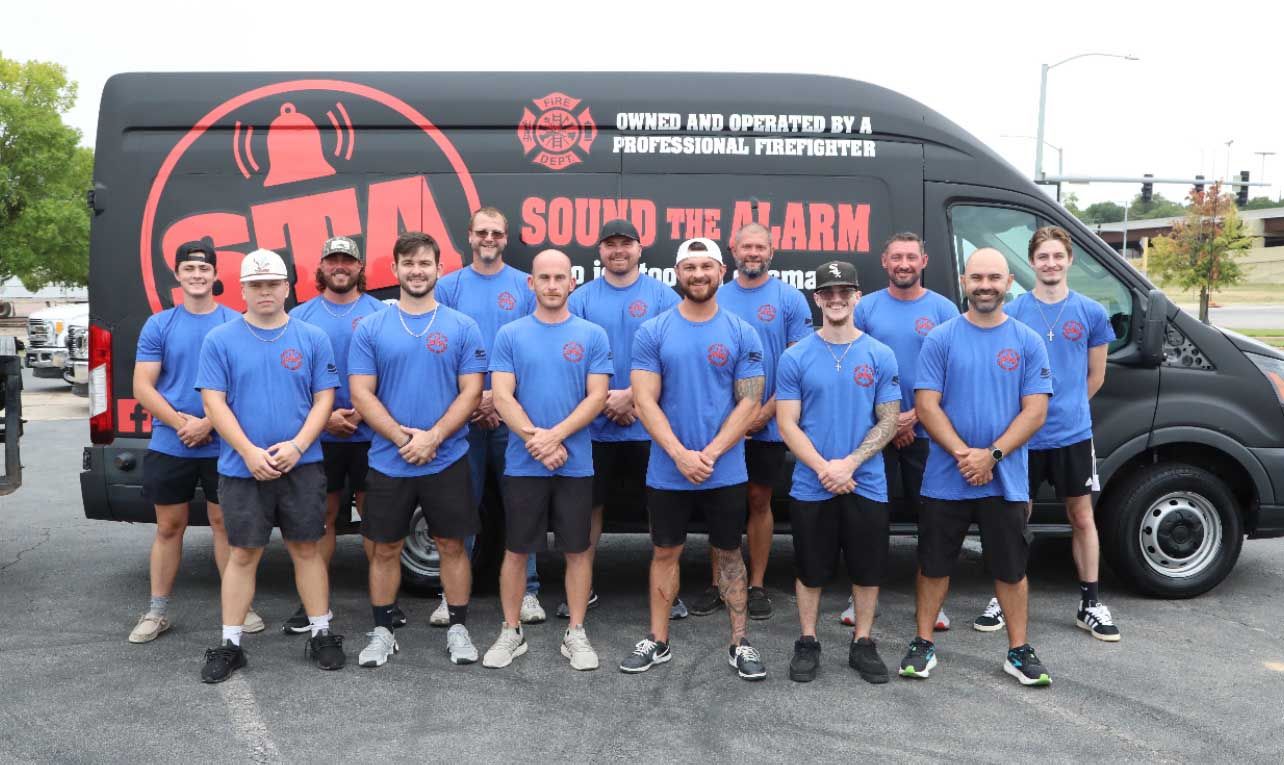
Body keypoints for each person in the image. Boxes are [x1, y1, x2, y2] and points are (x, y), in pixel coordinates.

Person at [897, 248, 1053, 687]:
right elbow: (927, 406)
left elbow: (1035, 411)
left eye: (994, 278)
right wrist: (967, 455)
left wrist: (993, 456)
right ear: (964, 282)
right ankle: (923, 642)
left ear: (1008, 284)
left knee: (1011, 569)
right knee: (933, 566)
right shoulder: (942, 338)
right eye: (977, 277)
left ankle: (1018, 650)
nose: (986, 285)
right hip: (947, 479)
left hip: (1004, 481)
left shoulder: (1027, 341)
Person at [617, 238, 768, 681]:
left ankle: (740, 643)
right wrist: (681, 454)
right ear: (676, 274)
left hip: (725, 468)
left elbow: (750, 401)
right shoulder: (654, 331)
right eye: (689, 267)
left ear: (721, 271)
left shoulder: (743, 331)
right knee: (665, 552)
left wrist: (711, 453)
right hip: (668, 468)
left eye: (706, 266)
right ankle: (658, 641)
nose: (698, 275)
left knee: (728, 553)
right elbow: (644, 401)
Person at [195, 249, 343, 683]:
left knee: (306, 549)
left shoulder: (312, 336)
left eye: (273, 283)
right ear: (241, 289)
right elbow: (213, 402)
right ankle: (230, 644)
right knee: (242, 554)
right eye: (256, 285)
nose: (265, 291)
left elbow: (325, 399)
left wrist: (298, 446)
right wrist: (247, 452)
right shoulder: (220, 339)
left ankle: (321, 632)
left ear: (287, 287)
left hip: (303, 464)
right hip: (243, 468)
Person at [348, 232, 487, 668]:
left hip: (446, 457)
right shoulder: (371, 327)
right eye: (408, 263)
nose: (417, 270)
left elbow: (472, 392)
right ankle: (382, 631)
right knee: (385, 547)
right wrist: (403, 438)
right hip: (390, 460)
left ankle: (459, 627)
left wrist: (433, 437)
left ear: (439, 269)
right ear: (394, 270)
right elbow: (361, 393)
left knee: (452, 545)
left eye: (425, 263)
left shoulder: (461, 326)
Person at [974, 226, 1119, 641]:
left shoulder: (1091, 312)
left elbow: (1095, 375)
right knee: (1017, 516)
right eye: (1042, 257)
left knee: (1081, 516)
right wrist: (1030, 416)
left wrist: (1066, 406)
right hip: (1022, 436)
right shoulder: (1015, 310)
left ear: (1070, 260)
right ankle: (1004, 595)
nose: (1051, 263)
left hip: (1072, 434)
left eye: (1058, 256)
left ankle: (1090, 602)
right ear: (1032, 263)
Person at [482, 250, 612, 670]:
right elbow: (502, 395)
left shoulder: (593, 335)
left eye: (560, 277)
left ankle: (575, 632)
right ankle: (510, 631)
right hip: (524, 463)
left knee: (578, 550)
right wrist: (536, 439)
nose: (553, 285)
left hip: (574, 463)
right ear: (531, 283)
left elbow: (597, 396)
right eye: (544, 278)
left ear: (572, 282)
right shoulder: (511, 334)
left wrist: (556, 436)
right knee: (517, 550)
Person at [129, 241, 262, 643]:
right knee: (169, 527)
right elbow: (142, 386)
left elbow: (243, 385)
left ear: (216, 275)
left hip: (222, 444)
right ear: (178, 275)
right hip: (172, 444)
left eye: (204, 269)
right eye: (189, 269)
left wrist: (207, 423)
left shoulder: (236, 323)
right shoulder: (160, 325)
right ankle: (157, 612)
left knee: (226, 525)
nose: (197, 275)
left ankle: (239, 608)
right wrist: (181, 423)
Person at [776, 261, 900, 684]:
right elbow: (787, 422)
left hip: (865, 481)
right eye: (828, 292)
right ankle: (807, 641)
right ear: (817, 299)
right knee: (810, 569)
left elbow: (888, 419)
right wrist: (824, 467)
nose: (836, 299)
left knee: (867, 569)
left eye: (844, 291)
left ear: (857, 297)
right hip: (813, 484)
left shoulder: (879, 354)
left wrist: (849, 464)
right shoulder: (795, 357)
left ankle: (863, 642)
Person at [566, 218, 685, 619]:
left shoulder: (662, 295)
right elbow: (570, 356)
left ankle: (667, 591)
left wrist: (632, 396)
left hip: (649, 424)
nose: (618, 251)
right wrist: (604, 400)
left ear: (640, 247)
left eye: (626, 243)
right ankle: (582, 589)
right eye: (610, 244)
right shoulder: (581, 297)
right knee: (589, 508)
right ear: (600, 250)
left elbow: (675, 355)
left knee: (659, 506)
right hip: (593, 425)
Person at [691, 223, 811, 620]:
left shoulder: (790, 299)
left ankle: (756, 584)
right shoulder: (716, 295)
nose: (753, 253)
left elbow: (797, 367)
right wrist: (735, 420)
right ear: (732, 251)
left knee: (759, 501)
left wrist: (764, 412)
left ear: (772, 251)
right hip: (723, 426)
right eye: (746, 246)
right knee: (722, 505)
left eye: (760, 247)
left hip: (771, 422)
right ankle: (718, 582)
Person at [436, 207, 543, 624]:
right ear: (469, 235)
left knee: (522, 504)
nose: (489, 239)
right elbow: (440, 349)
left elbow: (532, 348)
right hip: (461, 417)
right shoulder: (448, 287)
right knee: (460, 507)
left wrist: (498, 400)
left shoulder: (523, 285)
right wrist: (474, 399)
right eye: (482, 232)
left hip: (511, 418)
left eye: (496, 233)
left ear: (505, 237)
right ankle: (449, 596)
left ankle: (529, 591)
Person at [849, 232, 958, 631]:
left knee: (933, 519)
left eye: (911, 257)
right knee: (869, 518)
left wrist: (913, 417)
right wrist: (890, 422)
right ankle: (859, 596)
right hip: (874, 433)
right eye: (897, 257)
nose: (904, 264)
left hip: (927, 433)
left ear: (924, 261)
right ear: (884, 262)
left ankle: (934, 603)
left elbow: (953, 374)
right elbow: (855, 371)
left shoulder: (944, 310)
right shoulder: (866, 309)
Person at [283, 235, 390, 634]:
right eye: (333, 260)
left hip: (370, 434)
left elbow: (390, 374)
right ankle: (313, 602)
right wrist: (324, 418)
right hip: (318, 438)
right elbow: (292, 380)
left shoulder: (381, 313)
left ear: (361, 267)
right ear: (322, 267)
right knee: (320, 520)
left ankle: (385, 602)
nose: (340, 266)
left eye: (348, 260)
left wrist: (364, 414)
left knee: (375, 520)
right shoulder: (300, 316)